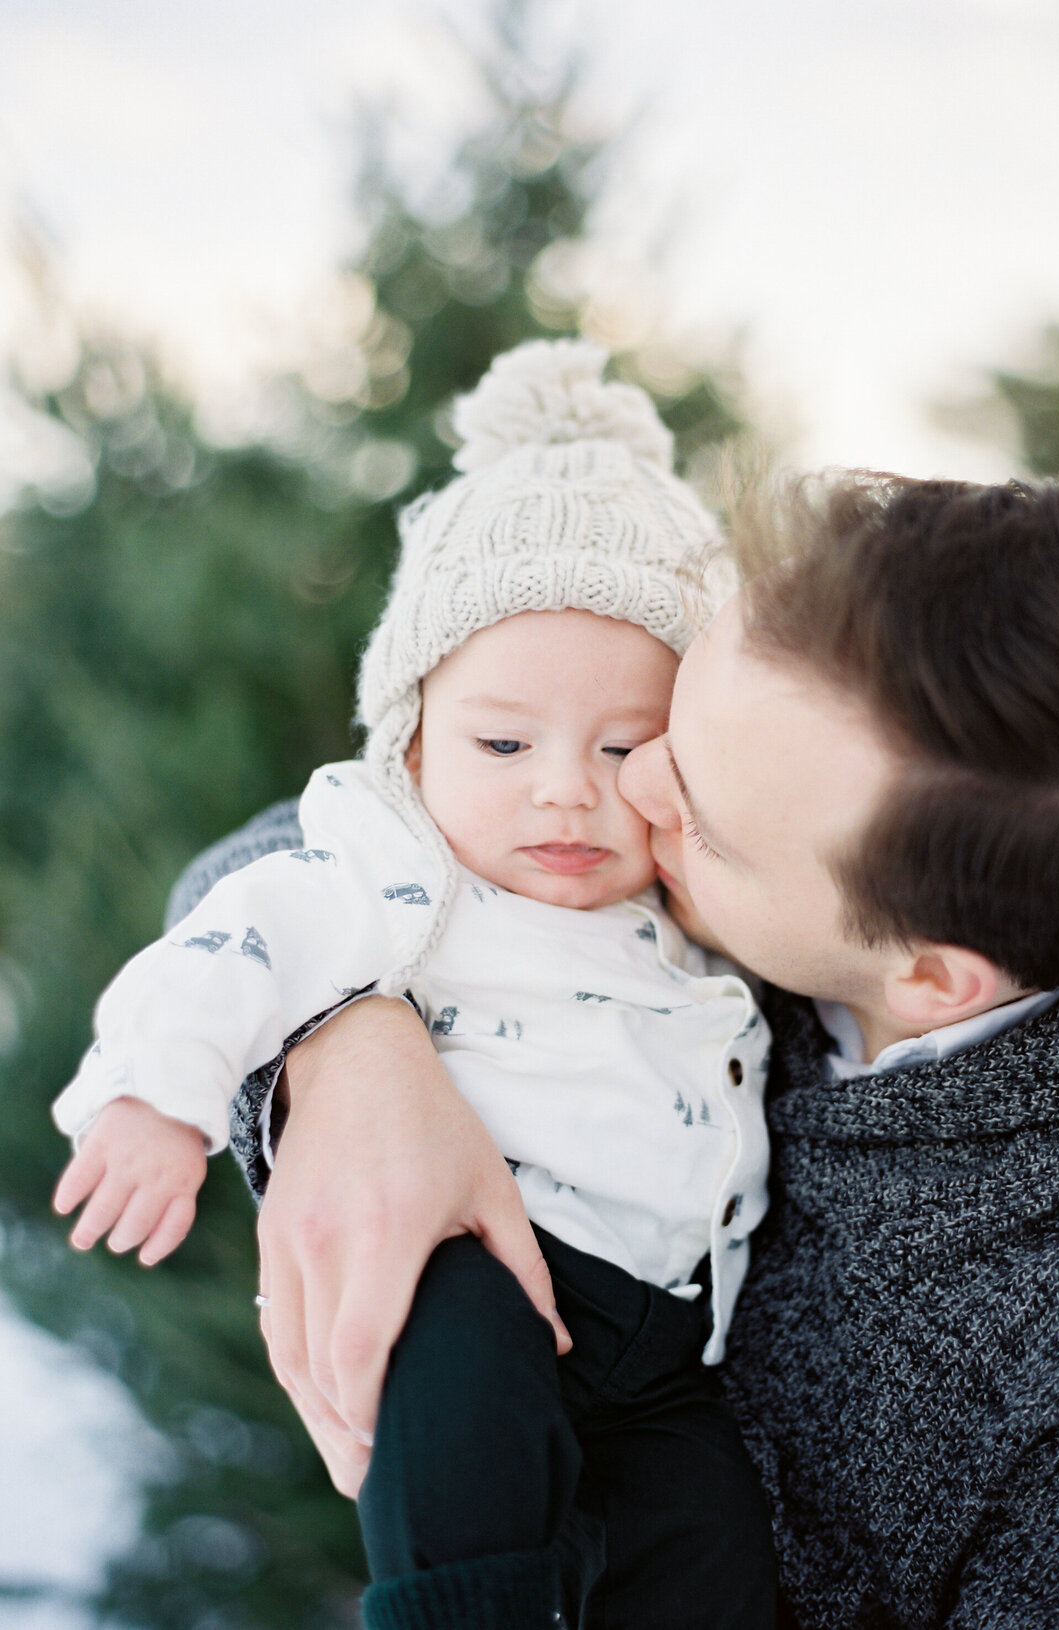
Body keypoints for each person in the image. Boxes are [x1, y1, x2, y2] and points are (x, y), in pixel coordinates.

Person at [210, 469, 1059, 1627]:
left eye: (702, 815)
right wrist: (349, 1046)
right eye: (669, 716)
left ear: (930, 976)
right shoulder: (806, 828)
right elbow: (290, 845)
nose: (629, 784)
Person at [51, 339, 780, 1630]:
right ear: (412, 736)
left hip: (671, 1344)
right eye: (503, 741)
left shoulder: (707, 904)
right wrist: (160, 1096)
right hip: (478, 1266)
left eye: (625, 746)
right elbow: (237, 938)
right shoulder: (391, 872)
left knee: (712, 1539)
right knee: (457, 1452)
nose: (564, 786)